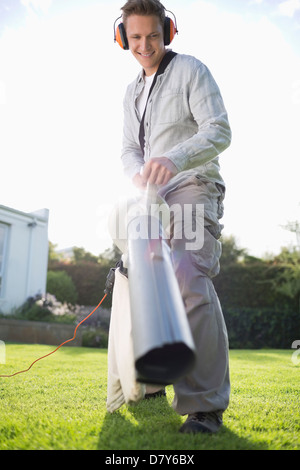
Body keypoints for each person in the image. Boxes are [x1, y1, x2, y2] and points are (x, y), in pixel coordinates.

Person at [114, 0, 231, 434]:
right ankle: (154, 377)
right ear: (123, 37)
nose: (146, 46)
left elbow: (218, 129)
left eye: (154, 36)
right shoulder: (131, 93)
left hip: (194, 185)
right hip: (150, 197)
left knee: (187, 275)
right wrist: (137, 174)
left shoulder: (192, 70)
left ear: (169, 33)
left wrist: (173, 158)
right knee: (142, 281)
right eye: (137, 37)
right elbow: (128, 149)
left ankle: (204, 406)